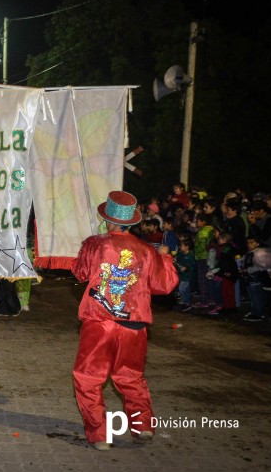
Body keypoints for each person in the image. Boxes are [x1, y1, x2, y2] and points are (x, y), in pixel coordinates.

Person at [70, 190, 178, 451]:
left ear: (107, 219)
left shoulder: (96, 243)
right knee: (130, 376)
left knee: (88, 378)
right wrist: (165, 258)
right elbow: (165, 285)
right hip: (134, 324)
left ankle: (100, 435)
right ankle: (143, 427)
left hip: (101, 320)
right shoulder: (146, 250)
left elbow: (80, 272)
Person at [174, 238, 197, 311]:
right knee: (184, 289)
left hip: (187, 276)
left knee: (182, 288)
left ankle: (187, 302)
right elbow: (178, 263)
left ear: (187, 247)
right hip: (181, 275)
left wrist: (186, 268)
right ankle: (186, 302)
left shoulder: (190, 256)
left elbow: (192, 266)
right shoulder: (181, 254)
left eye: (182, 245)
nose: (180, 247)